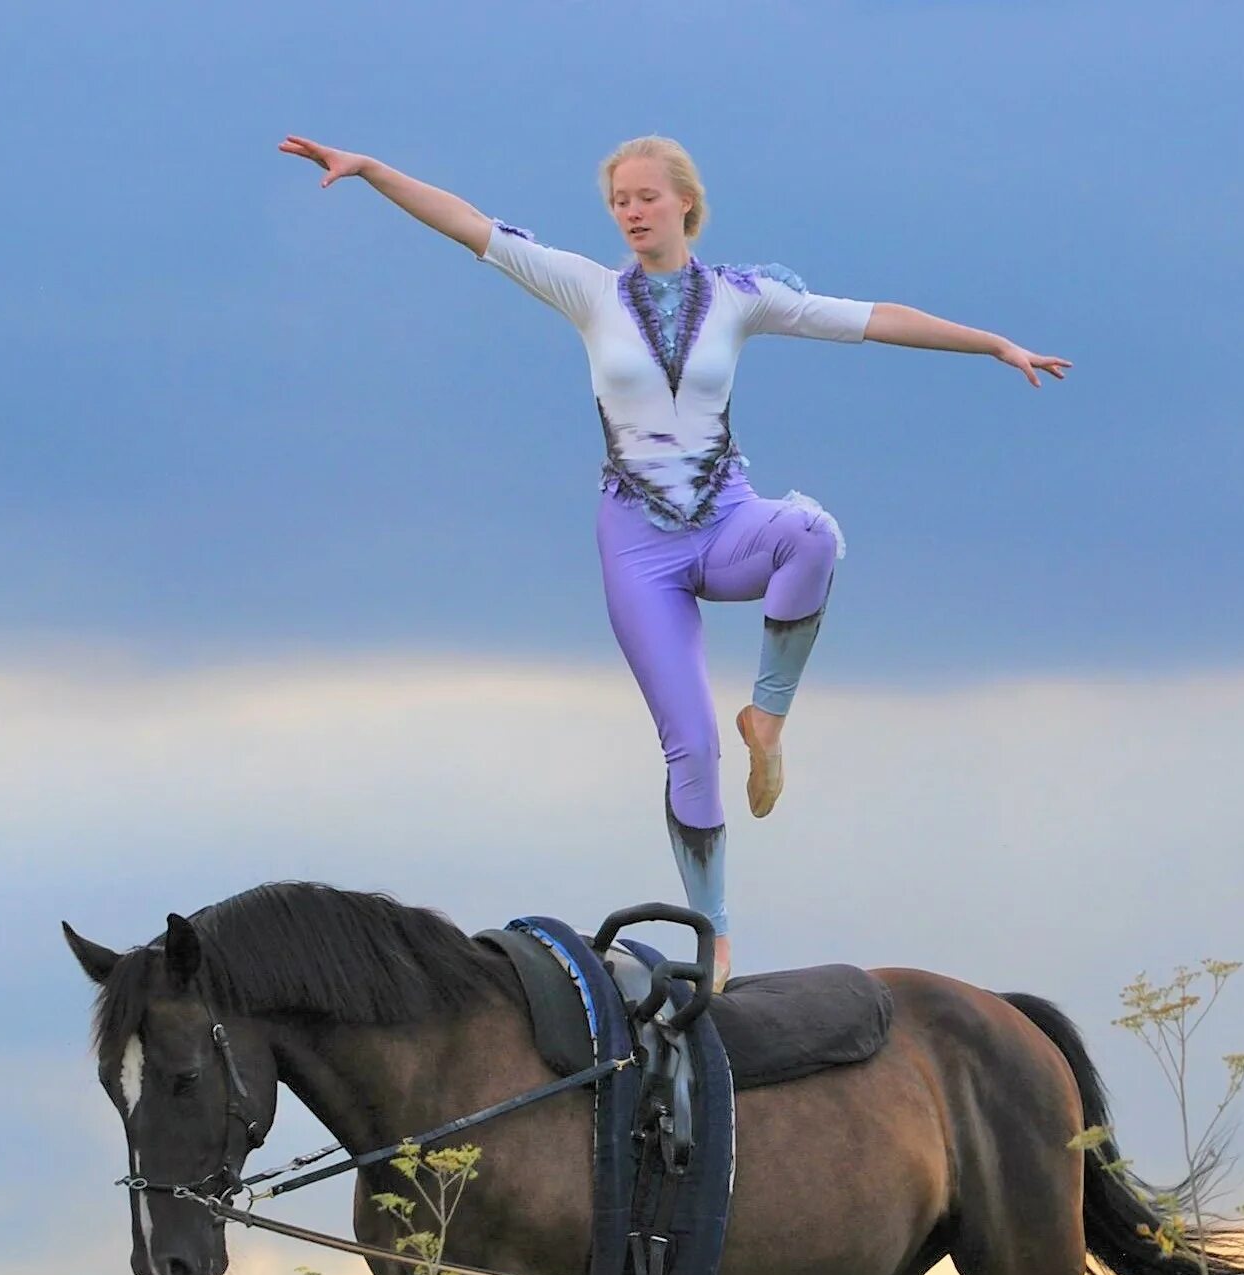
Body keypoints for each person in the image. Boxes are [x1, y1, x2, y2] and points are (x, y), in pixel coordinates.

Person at [278, 133, 1069, 982]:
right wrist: (371, 172)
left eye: (646, 197)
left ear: (684, 203)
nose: (631, 213)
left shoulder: (741, 297)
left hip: (725, 524)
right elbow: (469, 226)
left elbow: (873, 320)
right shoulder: (586, 290)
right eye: (619, 200)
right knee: (690, 747)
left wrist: (991, 343)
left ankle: (768, 714)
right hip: (638, 547)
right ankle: (716, 931)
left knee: (812, 535)